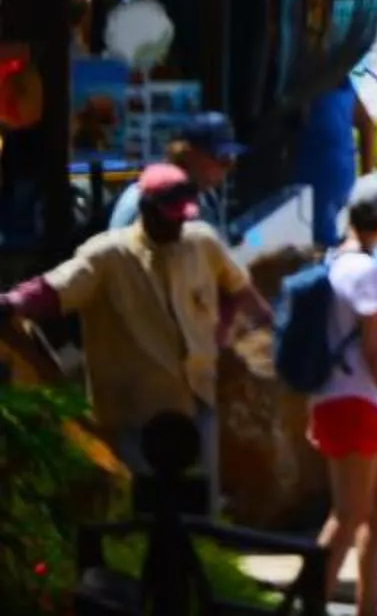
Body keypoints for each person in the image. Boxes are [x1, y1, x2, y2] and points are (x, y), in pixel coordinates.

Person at [0, 166, 268, 505]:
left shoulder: (201, 241)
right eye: (169, 218)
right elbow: (55, 288)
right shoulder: (108, 255)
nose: (177, 225)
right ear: (146, 209)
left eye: (182, 218)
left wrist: (223, 333)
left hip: (196, 397)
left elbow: (238, 289)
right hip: (134, 410)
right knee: (142, 505)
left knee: (199, 502)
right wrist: (12, 303)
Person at [315, 172, 377, 616]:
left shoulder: (332, 262)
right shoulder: (369, 272)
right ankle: (308, 600)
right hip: (359, 406)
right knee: (350, 514)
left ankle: (368, 606)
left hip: (335, 402)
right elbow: (376, 353)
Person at [108, 112, 245, 235]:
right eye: (222, 159)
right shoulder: (142, 200)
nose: (225, 170)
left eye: (230, 161)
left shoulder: (207, 197)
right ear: (189, 154)